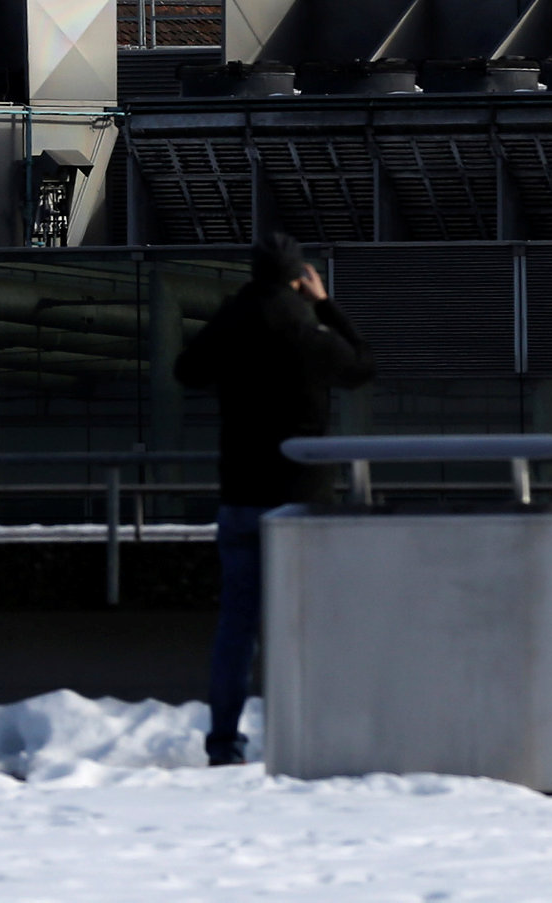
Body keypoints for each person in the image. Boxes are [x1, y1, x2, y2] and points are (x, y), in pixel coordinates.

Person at [172, 231, 376, 767]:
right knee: (309, 623)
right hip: (302, 503)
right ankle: (308, 735)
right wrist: (326, 305)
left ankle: (223, 744)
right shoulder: (307, 333)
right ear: (297, 277)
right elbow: (363, 365)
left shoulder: (235, 325)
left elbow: (186, 369)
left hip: (239, 496)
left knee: (237, 629)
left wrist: (232, 311)